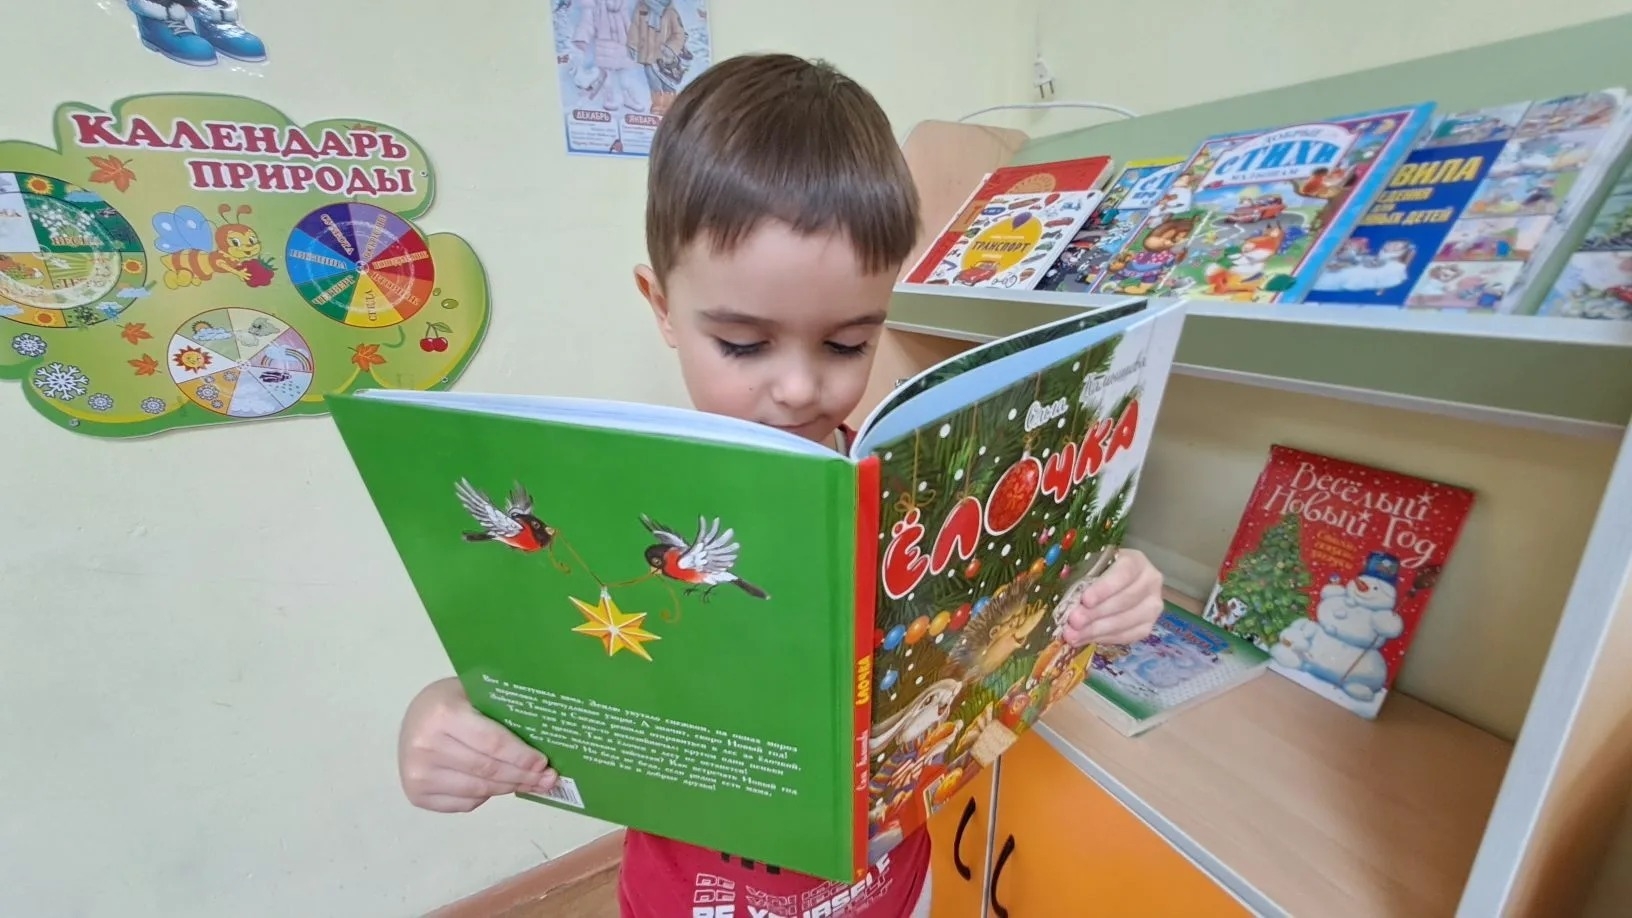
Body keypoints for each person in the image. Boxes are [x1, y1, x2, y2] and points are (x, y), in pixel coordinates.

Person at [394, 52, 1167, 917]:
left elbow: (1007, 623)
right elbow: (533, 659)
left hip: (890, 889)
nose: (800, 388)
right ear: (661, 306)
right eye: (743, 344)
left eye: (847, 344)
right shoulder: (609, 503)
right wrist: (445, 716)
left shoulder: (910, 493)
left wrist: (1108, 599)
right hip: (691, 900)